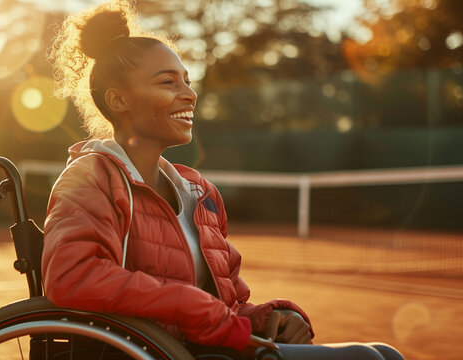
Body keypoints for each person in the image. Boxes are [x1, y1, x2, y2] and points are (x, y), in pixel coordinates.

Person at [42, 1, 404, 359]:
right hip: (143, 353)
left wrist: (272, 317)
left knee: (384, 353)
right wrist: (188, 303)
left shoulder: (200, 193)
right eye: (168, 81)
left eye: (187, 80)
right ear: (118, 99)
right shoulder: (90, 178)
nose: (189, 93)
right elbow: (71, 277)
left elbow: (225, 307)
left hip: (201, 349)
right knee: (369, 358)